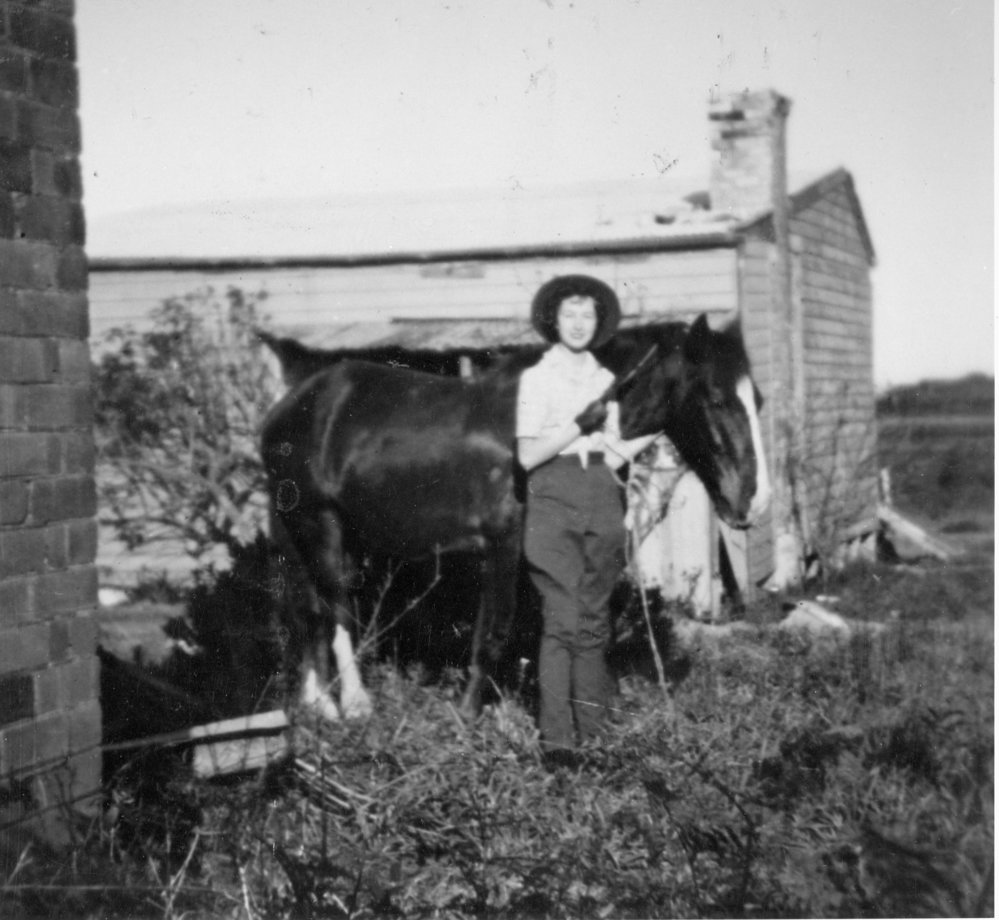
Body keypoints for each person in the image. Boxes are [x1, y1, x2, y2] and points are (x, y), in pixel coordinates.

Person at [516, 274, 654, 764]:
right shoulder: (537, 378)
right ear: (554, 320)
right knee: (562, 621)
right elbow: (528, 456)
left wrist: (655, 431)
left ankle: (595, 736)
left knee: (595, 621)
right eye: (569, 314)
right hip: (553, 492)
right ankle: (558, 744)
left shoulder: (602, 379)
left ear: (598, 324)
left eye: (587, 315)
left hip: (600, 489)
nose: (578, 324)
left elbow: (611, 453)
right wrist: (578, 425)